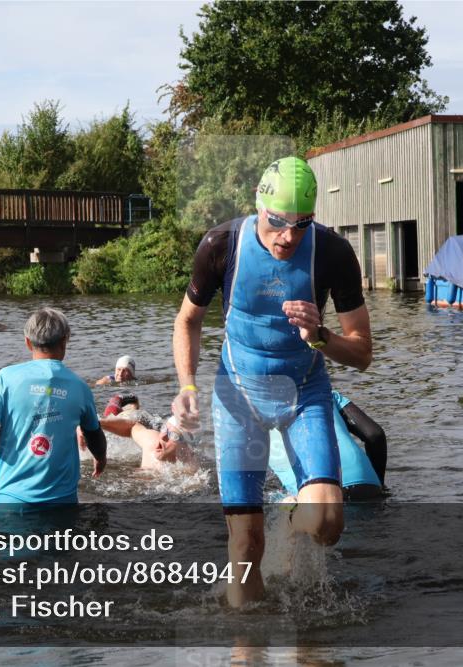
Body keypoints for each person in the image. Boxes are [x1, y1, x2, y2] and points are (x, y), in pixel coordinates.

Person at [170, 156, 372, 607]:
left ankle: (289, 516)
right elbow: (188, 322)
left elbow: (362, 354)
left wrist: (321, 336)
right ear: (259, 205)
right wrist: (187, 386)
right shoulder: (222, 245)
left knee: (327, 523)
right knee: (245, 546)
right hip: (238, 395)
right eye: (279, 222)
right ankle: (247, 647)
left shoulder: (333, 253)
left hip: (305, 394)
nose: (288, 236)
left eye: (302, 225)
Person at [0, 307, 107, 504]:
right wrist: (101, 458)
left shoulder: (6, 378)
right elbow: (94, 434)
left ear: (28, 342)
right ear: (65, 340)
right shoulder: (80, 387)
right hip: (61, 501)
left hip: (10, 499)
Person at [269, 391, 386, 501]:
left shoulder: (254, 413)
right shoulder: (326, 393)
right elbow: (375, 435)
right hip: (366, 482)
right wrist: (379, 484)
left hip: (314, 492)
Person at [94, 393, 197, 470]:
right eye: (165, 430)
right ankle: (121, 401)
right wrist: (96, 424)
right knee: (116, 415)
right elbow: (132, 426)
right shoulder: (153, 440)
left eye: (173, 435)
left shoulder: (191, 470)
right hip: (144, 421)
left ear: (185, 449)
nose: (163, 437)